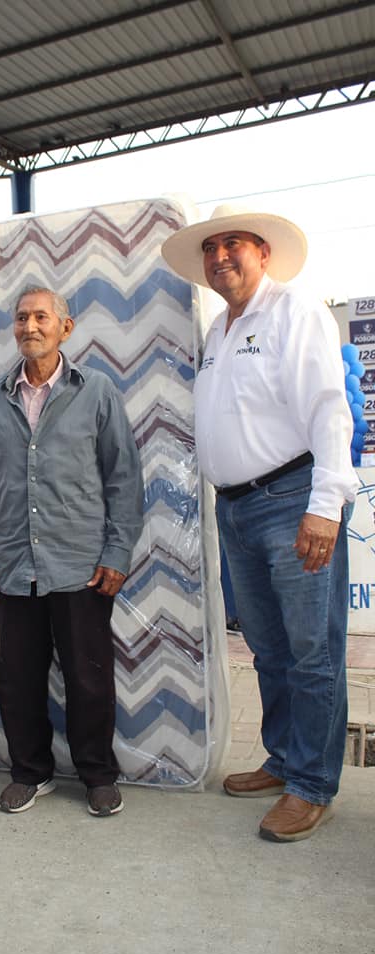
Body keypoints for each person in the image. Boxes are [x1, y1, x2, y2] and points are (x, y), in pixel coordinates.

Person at [162, 204, 358, 842]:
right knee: (269, 650)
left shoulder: (294, 311)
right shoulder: (219, 330)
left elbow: (329, 409)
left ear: (263, 253)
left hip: (293, 498)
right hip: (237, 508)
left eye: (234, 244)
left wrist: (325, 506)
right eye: (211, 247)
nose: (220, 256)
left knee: (312, 652)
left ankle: (313, 784)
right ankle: (284, 759)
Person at [0, 286, 144, 817]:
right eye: (22, 318)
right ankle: (30, 772)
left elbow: (124, 478)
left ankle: (98, 775)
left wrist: (118, 551)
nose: (30, 326)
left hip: (81, 565)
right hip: (15, 565)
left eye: (42, 317)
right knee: (18, 680)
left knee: (89, 678)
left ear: (66, 327)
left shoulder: (97, 391)